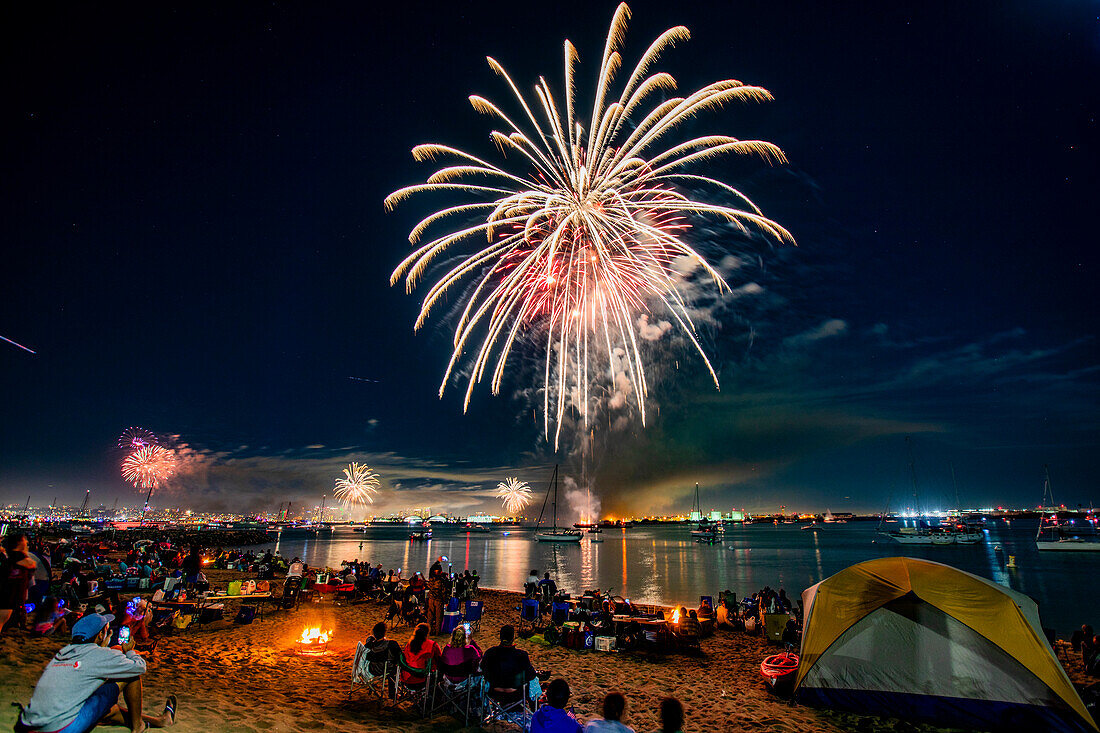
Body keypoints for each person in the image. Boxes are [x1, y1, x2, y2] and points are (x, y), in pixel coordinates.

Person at [16, 612, 177, 733]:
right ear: (100, 635)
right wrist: (130, 651)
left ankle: (159, 722)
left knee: (109, 708)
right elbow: (139, 667)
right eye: (107, 630)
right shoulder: (99, 654)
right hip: (60, 728)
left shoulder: (63, 653)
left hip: (29, 724)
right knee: (130, 675)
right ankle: (138, 727)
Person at [481, 625, 544, 705]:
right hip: (516, 693)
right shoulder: (521, 655)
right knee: (532, 682)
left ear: (500, 637)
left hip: (494, 692)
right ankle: (535, 712)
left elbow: (482, 670)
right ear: (513, 638)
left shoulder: (490, 653)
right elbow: (531, 675)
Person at [1, 532, 37, 634]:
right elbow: (30, 564)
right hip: (10, 593)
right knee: (4, 617)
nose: (26, 541)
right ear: (19, 542)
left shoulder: (12, 558)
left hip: (14, 593)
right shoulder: (17, 558)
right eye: (24, 540)